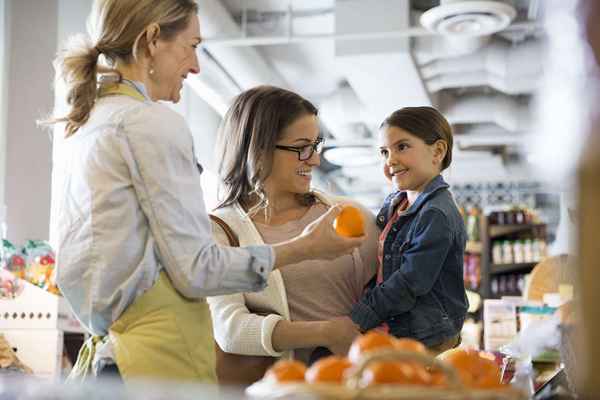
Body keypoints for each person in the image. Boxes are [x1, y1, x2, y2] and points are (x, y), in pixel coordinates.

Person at [43, 0, 363, 383]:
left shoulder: (83, 127)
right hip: (159, 362)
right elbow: (198, 269)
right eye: (192, 46)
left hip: (111, 359)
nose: (195, 66)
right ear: (153, 39)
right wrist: (306, 247)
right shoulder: (151, 123)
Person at [207, 86, 379, 383]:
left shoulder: (349, 214)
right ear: (259, 149)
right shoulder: (219, 230)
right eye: (301, 147)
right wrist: (326, 332)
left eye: (316, 145)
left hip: (356, 386)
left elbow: (392, 295)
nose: (313, 160)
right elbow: (230, 329)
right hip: (281, 387)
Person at [349, 106, 468, 354]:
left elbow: (409, 282)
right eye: (384, 152)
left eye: (401, 147)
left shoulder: (435, 213)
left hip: (427, 337)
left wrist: (358, 318)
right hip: (397, 325)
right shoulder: (397, 202)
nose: (390, 160)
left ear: (437, 151)